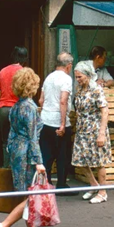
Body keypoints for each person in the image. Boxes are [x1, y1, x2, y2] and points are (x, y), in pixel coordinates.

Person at [0, 68, 48, 227]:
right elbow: (32, 137)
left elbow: (13, 133)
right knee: (31, 196)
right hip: (27, 154)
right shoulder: (29, 107)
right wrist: (39, 161)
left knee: (25, 194)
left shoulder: (16, 106)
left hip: (16, 151)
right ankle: (4, 226)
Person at [70, 61, 111, 203]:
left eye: (80, 77)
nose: (78, 79)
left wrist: (101, 133)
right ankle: (94, 184)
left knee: (99, 161)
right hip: (82, 129)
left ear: (88, 75)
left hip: (95, 129)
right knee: (81, 160)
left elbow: (105, 111)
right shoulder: (80, 89)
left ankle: (103, 192)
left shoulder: (96, 90)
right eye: (76, 77)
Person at [38, 52, 74, 189]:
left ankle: (46, 185)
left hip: (45, 120)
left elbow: (41, 99)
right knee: (62, 155)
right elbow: (63, 101)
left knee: (46, 154)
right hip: (58, 121)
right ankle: (61, 184)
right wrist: (63, 124)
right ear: (69, 66)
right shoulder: (66, 79)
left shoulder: (48, 77)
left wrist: (45, 112)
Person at [0, 46, 29, 167]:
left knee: (5, 141)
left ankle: (6, 167)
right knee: (20, 139)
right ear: (24, 58)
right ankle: (18, 168)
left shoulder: (2, 71)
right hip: (18, 108)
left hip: (3, 109)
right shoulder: (24, 72)